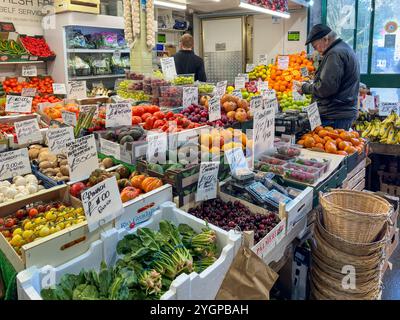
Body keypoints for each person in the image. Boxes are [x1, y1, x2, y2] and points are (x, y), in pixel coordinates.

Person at [296, 24, 360, 131]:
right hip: (342, 112)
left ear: (325, 39)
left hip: (333, 115)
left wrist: (305, 87)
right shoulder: (345, 48)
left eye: (315, 46)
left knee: (327, 144)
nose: (316, 50)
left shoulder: (334, 53)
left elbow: (326, 88)